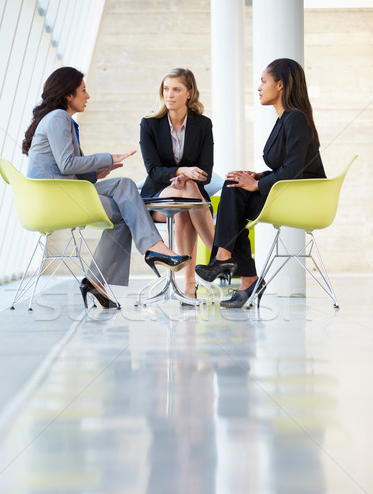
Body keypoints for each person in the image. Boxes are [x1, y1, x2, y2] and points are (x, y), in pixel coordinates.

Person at [22, 67, 190, 309]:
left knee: (124, 186)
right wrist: (107, 158)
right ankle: (153, 248)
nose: (88, 96)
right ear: (69, 94)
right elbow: (67, 163)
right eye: (83, 90)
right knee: (126, 207)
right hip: (56, 198)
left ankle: (99, 280)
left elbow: (68, 169)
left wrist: (98, 172)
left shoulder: (56, 118)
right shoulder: (59, 117)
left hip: (62, 192)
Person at [195, 58, 326, 308]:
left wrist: (256, 185)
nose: (259, 87)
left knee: (234, 197)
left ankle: (234, 266)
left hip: (305, 199)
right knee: (234, 187)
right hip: (289, 192)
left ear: (280, 85)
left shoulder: (295, 118)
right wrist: (257, 176)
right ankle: (239, 272)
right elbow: (286, 167)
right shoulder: (285, 119)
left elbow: (296, 169)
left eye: (263, 81)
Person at [139, 68, 215, 299]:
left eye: (176, 89)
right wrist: (181, 171)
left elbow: (206, 173)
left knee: (186, 203)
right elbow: (153, 171)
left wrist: (187, 178)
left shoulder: (203, 125)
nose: (169, 95)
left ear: (189, 93)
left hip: (189, 201)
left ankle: (189, 285)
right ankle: (219, 254)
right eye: (166, 89)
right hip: (158, 197)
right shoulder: (149, 124)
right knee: (189, 193)